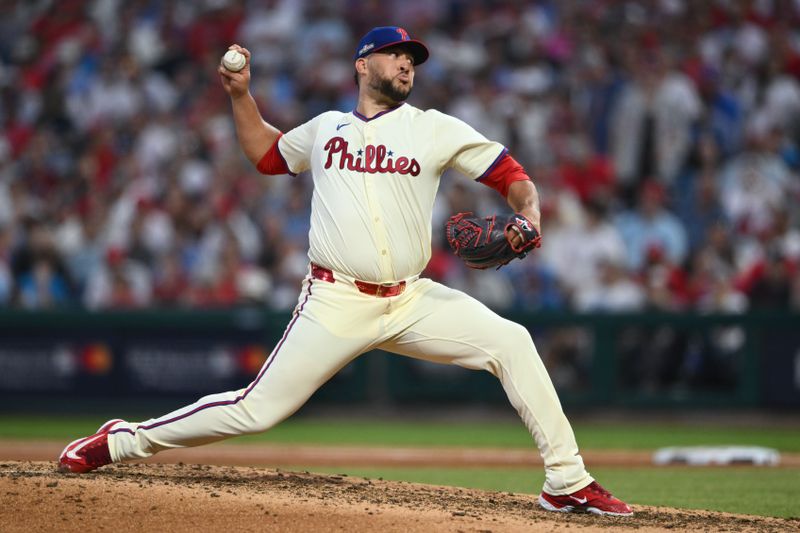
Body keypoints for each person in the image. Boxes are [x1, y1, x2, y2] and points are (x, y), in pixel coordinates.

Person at [58, 26, 632, 517]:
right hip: (335, 302)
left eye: (414, 59)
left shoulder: (432, 127)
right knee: (257, 410)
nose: (407, 63)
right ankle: (124, 442)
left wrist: (527, 215)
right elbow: (267, 154)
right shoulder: (327, 128)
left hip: (410, 300)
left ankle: (566, 481)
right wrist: (240, 96)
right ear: (364, 64)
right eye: (396, 54)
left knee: (511, 341)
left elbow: (510, 174)